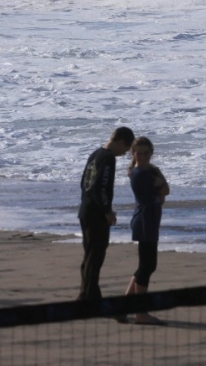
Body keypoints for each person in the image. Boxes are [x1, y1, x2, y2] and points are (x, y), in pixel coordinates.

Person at [77, 125, 135, 302]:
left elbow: (84, 183)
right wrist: (107, 211)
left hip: (85, 209)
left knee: (89, 257)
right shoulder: (108, 158)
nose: (125, 153)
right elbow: (101, 187)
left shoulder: (95, 154)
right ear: (121, 142)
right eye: (126, 148)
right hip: (96, 213)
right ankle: (91, 300)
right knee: (95, 258)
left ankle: (86, 295)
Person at [123, 136, 169, 325]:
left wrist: (160, 187)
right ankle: (140, 312)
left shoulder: (148, 170)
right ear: (133, 154)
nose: (141, 157)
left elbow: (165, 189)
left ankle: (125, 305)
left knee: (146, 264)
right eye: (138, 153)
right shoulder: (140, 173)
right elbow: (162, 190)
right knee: (147, 265)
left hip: (149, 218)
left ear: (151, 154)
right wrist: (159, 187)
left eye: (145, 153)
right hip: (145, 220)